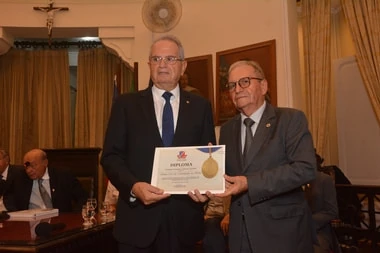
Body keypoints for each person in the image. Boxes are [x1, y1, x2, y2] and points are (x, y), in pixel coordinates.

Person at [101, 35, 216, 253]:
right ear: (149, 65)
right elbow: (110, 157)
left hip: (184, 224)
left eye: (171, 59)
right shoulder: (126, 105)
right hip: (136, 225)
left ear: (183, 66)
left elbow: (207, 155)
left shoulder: (201, 107)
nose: (162, 64)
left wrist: (204, 189)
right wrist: (134, 187)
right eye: (156, 58)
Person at [209, 60, 317, 253]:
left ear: (264, 86)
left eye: (244, 81)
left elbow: (305, 169)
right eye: (232, 85)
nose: (237, 89)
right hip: (240, 235)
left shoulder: (290, 119)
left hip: (283, 233)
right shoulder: (226, 130)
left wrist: (250, 183)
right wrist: (204, 174)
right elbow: (227, 178)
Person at [4, 148, 88, 212]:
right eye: (26, 166)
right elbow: (8, 198)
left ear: (45, 163)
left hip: (61, 221)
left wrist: (72, 217)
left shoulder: (63, 176)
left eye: (33, 165)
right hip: (31, 224)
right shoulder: (20, 178)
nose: (29, 170)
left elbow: (83, 198)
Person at [305, 153, 341, 253]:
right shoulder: (290, 181)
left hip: (319, 231)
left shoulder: (324, 180)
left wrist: (307, 221)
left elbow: (332, 211)